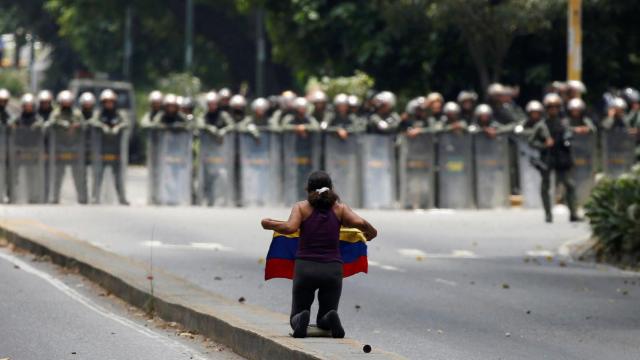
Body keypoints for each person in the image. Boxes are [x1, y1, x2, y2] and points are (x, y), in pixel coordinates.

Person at [261, 171, 377, 338]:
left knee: (297, 313)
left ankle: (301, 318)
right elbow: (360, 223)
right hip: (333, 270)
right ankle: (329, 317)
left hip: (305, 269)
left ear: (308, 189)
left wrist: (269, 224)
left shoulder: (301, 207)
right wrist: (371, 231)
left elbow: (290, 228)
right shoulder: (340, 209)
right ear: (331, 189)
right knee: (326, 315)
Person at [529, 93, 580, 223]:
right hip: (547, 157)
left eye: (556, 107)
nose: (553, 110)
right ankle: (548, 214)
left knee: (569, 185)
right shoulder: (541, 126)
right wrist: (543, 145)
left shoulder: (564, 123)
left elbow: (569, 138)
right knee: (545, 186)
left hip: (561, 157)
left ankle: (573, 213)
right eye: (551, 107)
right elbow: (531, 142)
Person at [88, 89, 129, 205]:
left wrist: (118, 127)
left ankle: (122, 198)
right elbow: (92, 122)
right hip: (101, 151)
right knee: (98, 176)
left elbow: (126, 123)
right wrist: (102, 126)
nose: (109, 104)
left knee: (118, 177)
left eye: (111, 102)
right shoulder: (99, 114)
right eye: (106, 102)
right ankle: (95, 197)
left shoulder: (119, 114)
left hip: (116, 151)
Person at [46, 90, 87, 204]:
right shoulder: (56, 113)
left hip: (74, 148)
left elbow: (84, 125)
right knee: (58, 174)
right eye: (64, 102)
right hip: (60, 148)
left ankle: (82, 198)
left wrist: (77, 126)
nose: (66, 104)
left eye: (68, 102)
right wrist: (63, 124)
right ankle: (55, 197)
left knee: (78, 175)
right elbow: (51, 123)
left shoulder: (77, 114)